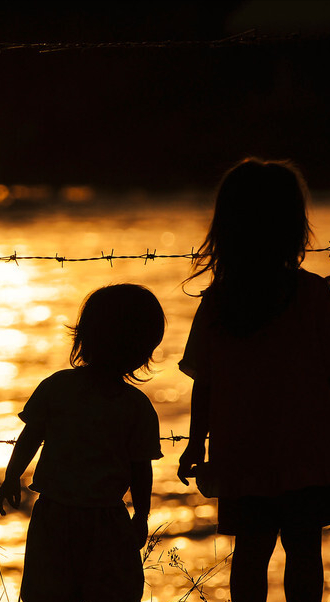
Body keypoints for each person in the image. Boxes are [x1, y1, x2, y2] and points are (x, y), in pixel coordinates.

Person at [177, 158, 330, 602]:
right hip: (306, 451)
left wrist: (194, 442)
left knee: (251, 550)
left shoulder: (219, 304)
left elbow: (202, 380)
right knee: (303, 548)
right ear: (293, 227)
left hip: (241, 454)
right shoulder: (315, 296)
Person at [0, 284, 165, 602]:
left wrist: (11, 475)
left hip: (55, 517)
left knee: (48, 592)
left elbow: (31, 435)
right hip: (105, 520)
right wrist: (141, 515)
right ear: (142, 349)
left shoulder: (57, 387)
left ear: (85, 337)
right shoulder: (136, 406)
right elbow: (141, 470)